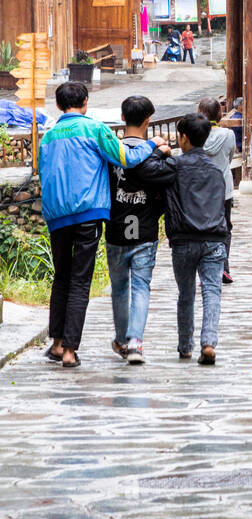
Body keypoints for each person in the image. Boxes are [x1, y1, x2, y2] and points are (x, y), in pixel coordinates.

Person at [39, 81, 160, 368]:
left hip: (56, 216)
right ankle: (70, 351)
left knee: (61, 278)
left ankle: (56, 344)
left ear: (58, 106)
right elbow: (127, 158)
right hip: (88, 214)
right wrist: (153, 145)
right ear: (85, 103)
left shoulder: (48, 137)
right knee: (80, 281)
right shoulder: (94, 129)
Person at [105, 95, 176, 364]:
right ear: (148, 120)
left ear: (122, 118)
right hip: (145, 232)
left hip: (115, 231)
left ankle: (122, 340)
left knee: (120, 287)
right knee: (142, 287)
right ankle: (136, 342)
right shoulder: (153, 155)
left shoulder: (112, 153)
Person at [165, 112, 228, 365]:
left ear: (183, 138)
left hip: (184, 238)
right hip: (214, 238)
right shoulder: (215, 171)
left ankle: (185, 347)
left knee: (186, 293)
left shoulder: (175, 167)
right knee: (212, 291)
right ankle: (209, 343)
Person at [199, 97, 237, 284]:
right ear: (219, 114)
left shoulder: (196, 135)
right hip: (223, 188)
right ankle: (224, 267)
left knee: (203, 228)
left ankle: (207, 268)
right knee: (224, 228)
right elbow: (230, 158)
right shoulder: (228, 134)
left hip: (201, 189)